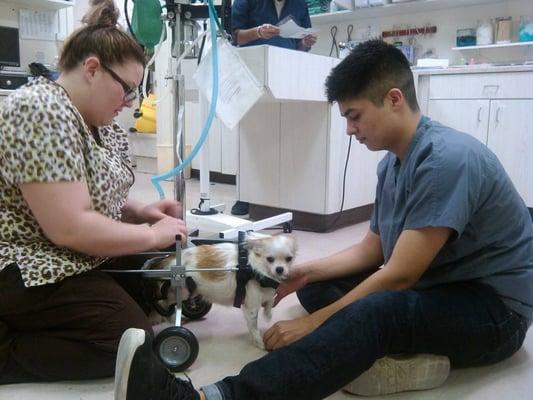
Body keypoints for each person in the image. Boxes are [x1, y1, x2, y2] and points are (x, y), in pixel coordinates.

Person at [113, 39, 532, 400]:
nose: (349, 130)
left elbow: (400, 274)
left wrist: (314, 325)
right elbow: (374, 250)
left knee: (377, 310)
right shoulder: (394, 165)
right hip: (442, 285)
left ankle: (213, 396)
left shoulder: (446, 161)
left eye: (354, 115)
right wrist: (304, 272)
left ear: (394, 99)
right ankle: (389, 354)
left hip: (494, 311)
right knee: (319, 288)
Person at [0, 0, 188, 384]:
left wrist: (141, 213)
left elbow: (92, 198)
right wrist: (150, 234)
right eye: (128, 90)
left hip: (68, 254)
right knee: (127, 343)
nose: (130, 103)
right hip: (26, 265)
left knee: (160, 266)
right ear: (91, 69)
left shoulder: (94, 121)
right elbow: (70, 227)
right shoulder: (40, 110)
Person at [229, 0, 317, 216]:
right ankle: (246, 196)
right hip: (253, 71)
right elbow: (234, 36)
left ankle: (280, 195)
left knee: (283, 135)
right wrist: (258, 32)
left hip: (287, 71)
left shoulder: (299, 4)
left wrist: (306, 42)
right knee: (252, 136)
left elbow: (299, 44)